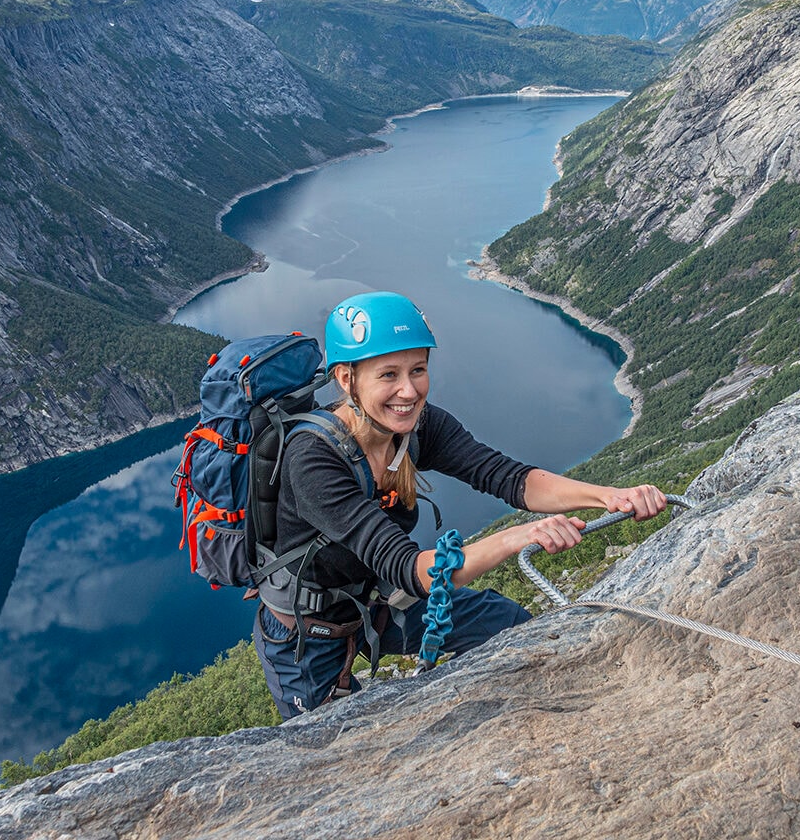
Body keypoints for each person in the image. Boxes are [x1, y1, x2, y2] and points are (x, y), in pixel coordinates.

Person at [253, 291, 666, 718]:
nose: (408, 391)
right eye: (388, 375)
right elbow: (410, 571)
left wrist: (608, 497)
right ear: (346, 379)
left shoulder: (417, 427)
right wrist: (518, 536)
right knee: (329, 754)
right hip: (307, 634)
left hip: (375, 601)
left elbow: (509, 478)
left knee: (506, 624)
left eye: (418, 370)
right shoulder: (312, 458)